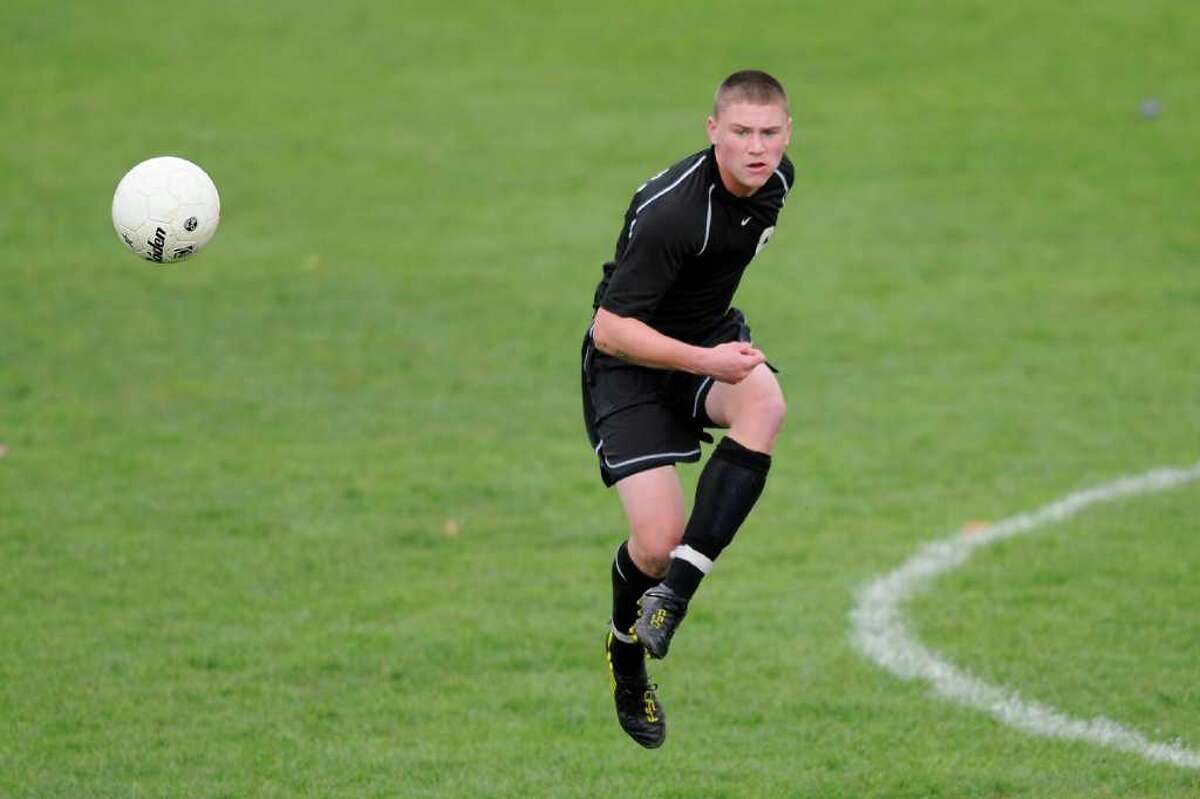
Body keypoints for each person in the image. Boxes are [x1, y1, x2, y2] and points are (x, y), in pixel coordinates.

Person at [581, 70, 794, 748]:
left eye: (768, 133)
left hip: (704, 339)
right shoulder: (673, 211)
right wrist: (707, 360)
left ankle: (672, 597)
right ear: (712, 132)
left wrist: (714, 348)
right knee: (654, 542)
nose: (756, 149)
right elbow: (608, 329)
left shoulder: (780, 182)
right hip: (630, 367)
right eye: (740, 133)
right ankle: (624, 652)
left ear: (786, 134)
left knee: (766, 401)